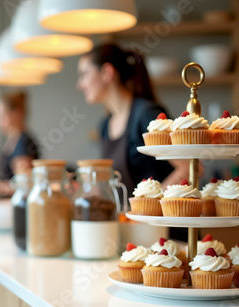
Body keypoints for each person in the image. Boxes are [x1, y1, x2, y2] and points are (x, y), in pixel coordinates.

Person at [76, 44, 191, 239]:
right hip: (137, 234)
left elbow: (188, 168)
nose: (80, 84)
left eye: (84, 74)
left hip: (169, 234)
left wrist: (147, 205)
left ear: (107, 72)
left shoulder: (146, 114)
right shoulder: (105, 125)